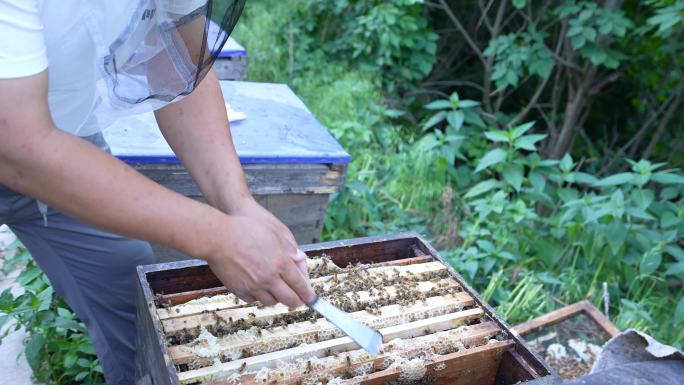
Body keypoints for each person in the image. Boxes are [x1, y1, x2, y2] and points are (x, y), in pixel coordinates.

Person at [0, 1, 315, 384]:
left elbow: (180, 61)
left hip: (58, 136)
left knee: (129, 288)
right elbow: (18, 145)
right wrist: (218, 237)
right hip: (24, 139)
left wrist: (238, 205)